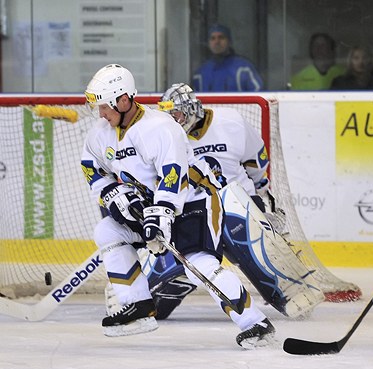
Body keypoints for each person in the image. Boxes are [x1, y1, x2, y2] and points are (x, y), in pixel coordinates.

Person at [82, 64, 275, 348]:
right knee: (108, 232)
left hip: (193, 200)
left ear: (124, 100)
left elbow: (174, 176)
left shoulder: (160, 127)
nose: (101, 114)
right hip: (151, 205)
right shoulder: (100, 133)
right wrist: (114, 193)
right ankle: (137, 307)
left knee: (198, 263)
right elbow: (91, 168)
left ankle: (255, 323)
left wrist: (160, 215)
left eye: (104, 106)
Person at [144, 83, 323, 320]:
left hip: (236, 202)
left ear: (191, 110)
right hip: (194, 209)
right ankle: (173, 281)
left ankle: (290, 285)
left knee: (261, 253)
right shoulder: (166, 135)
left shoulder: (231, 122)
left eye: (176, 114)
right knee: (155, 297)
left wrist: (263, 194)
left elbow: (256, 159)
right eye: (168, 115)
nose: (173, 121)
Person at [192, 24, 263, 92]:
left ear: (229, 41)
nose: (217, 42)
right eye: (213, 38)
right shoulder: (200, 74)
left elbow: (259, 95)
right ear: (208, 43)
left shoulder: (244, 69)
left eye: (221, 37)